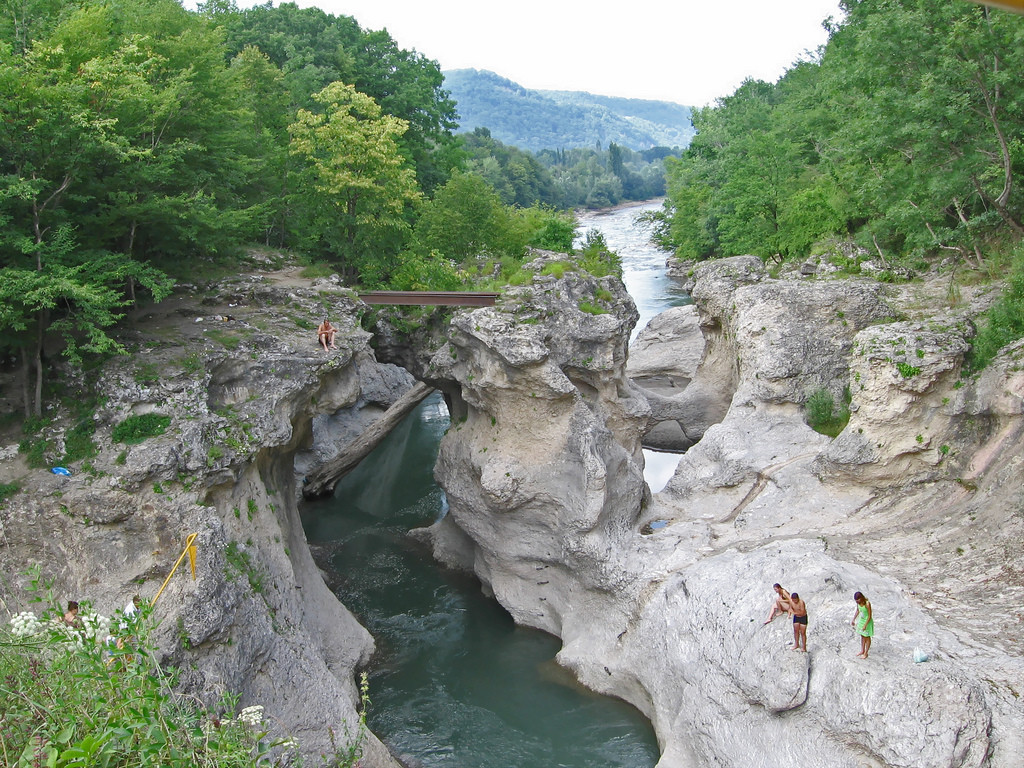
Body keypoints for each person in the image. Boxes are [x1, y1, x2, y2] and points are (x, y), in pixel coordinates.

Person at [851, 591, 874, 658]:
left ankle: (866, 653)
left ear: (861, 598)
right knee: (862, 636)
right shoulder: (858, 603)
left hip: (867, 622)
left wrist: (865, 625)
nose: (857, 602)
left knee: (867, 637)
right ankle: (862, 650)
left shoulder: (867, 604)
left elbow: (869, 616)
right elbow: (858, 610)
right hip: (861, 620)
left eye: (858, 600)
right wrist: (853, 619)